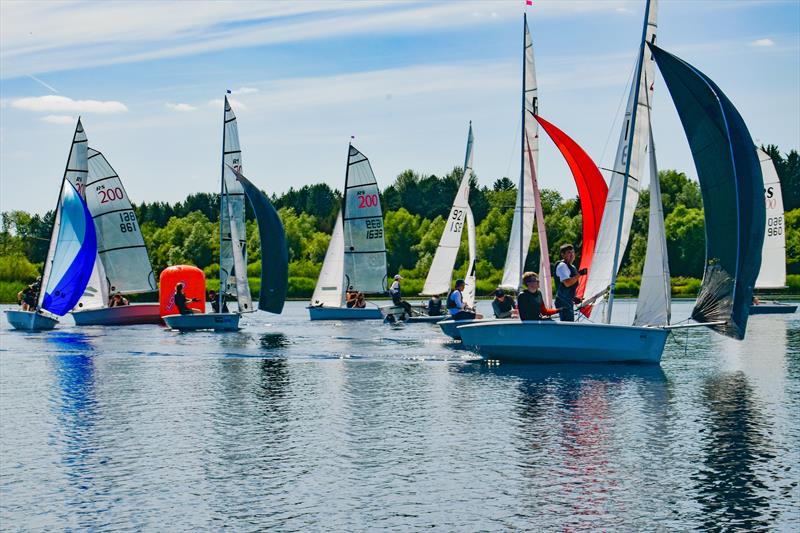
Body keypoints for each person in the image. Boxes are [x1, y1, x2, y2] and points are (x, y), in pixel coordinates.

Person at [554, 243, 587, 322]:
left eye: (573, 252)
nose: (572, 254)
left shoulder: (572, 267)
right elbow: (567, 283)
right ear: (563, 255)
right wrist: (579, 274)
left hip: (568, 301)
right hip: (563, 302)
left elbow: (569, 287)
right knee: (568, 325)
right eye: (569, 252)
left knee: (569, 324)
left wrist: (574, 298)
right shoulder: (562, 266)